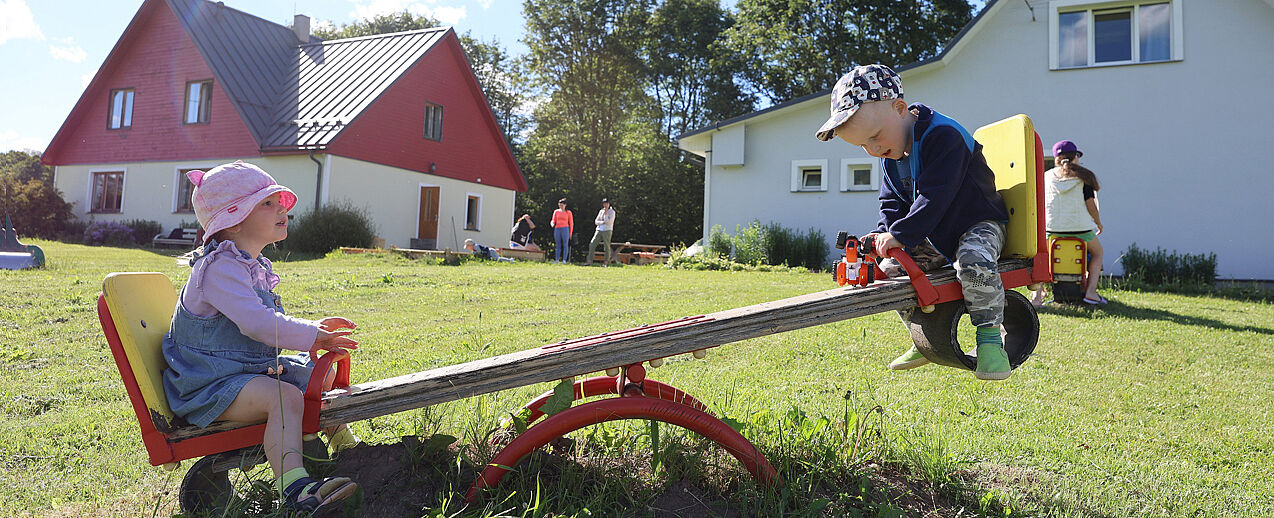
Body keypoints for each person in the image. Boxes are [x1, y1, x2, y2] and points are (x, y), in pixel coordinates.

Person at [161, 161, 360, 514]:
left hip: (242, 373)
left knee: (318, 374)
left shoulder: (249, 266)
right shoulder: (219, 268)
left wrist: (312, 329)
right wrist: (313, 335)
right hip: (209, 385)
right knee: (284, 397)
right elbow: (259, 324)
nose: (281, 209)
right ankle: (295, 488)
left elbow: (265, 323)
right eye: (267, 203)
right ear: (234, 220)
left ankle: (349, 453)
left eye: (278, 201)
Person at [816, 64, 1013, 381]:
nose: (873, 150)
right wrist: (884, 235)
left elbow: (936, 196)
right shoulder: (891, 153)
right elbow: (892, 202)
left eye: (875, 137)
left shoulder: (943, 136)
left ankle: (990, 341)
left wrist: (901, 234)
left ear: (899, 108)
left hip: (978, 223)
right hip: (936, 233)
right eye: (863, 145)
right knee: (892, 269)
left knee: (973, 261)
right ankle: (924, 337)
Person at [1032, 140, 1106, 306]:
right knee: (1098, 253)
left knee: (1040, 256)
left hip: (1052, 230)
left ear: (1056, 159)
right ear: (1075, 157)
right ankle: (1091, 293)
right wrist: (1098, 223)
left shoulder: (1046, 177)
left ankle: (1037, 296)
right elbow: (1091, 206)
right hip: (1081, 230)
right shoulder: (1084, 177)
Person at [584, 198, 617, 266]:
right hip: (599, 230)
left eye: (606, 203)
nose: (605, 205)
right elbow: (596, 221)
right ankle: (589, 261)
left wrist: (606, 214)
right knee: (592, 244)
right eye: (604, 203)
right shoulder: (601, 211)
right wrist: (602, 222)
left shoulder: (612, 212)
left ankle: (606, 262)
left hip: (607, 230)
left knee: (606, 247)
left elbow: (609, 222)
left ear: (609, 204)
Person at [551, 198, 574, 263]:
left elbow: (571, 223)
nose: (561, 206)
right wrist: (552, 223)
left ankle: (564, 260)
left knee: (565, 244)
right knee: (557, 244)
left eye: (562, 205)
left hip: (565, 229)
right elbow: (553, 219)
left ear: (565, 205)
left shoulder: (568, 212)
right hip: (557, 228)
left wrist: (570, 233)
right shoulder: (556, 211)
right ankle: (557, 259)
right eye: (560, 205)